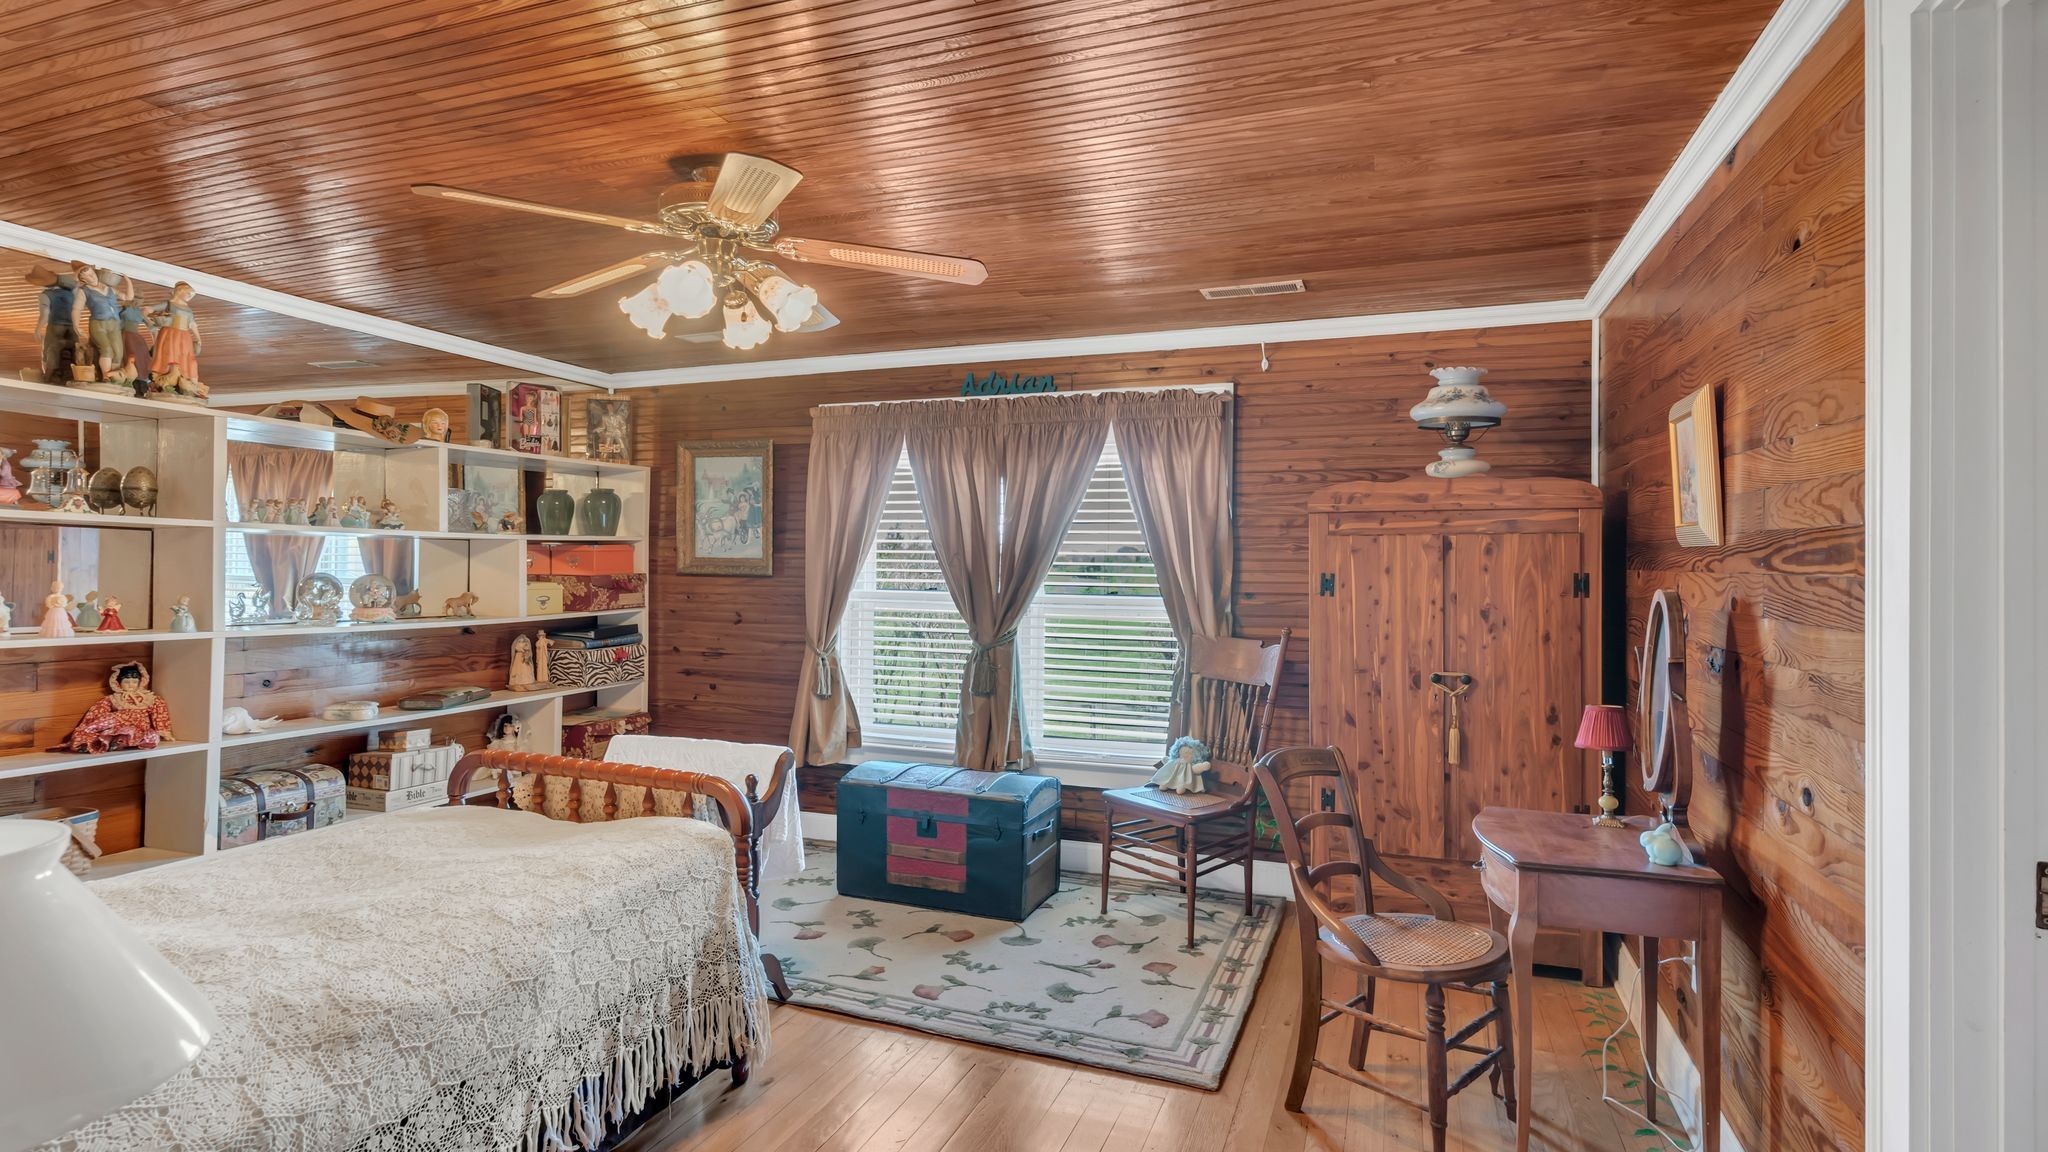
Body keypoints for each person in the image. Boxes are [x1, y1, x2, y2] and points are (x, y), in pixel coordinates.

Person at [66, 661, 173, 754]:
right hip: (117, 722)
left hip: (139, 727)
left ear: (141, 682)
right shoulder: (114, 698)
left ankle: (118, 743)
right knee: (104, 728)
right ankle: (87, 742)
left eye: (134, 682)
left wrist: (163, 731)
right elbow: (98, 710)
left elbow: (160, 713)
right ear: (118, 683)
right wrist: (89, 723)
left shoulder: (149, 698)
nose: (131, 685)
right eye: (126, 682)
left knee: (143, 735)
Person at [70, 264, 124, 382]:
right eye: (88, 276)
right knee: (107, 349)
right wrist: (76, 325)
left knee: (118, 352)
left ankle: (115, 379)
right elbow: (77, 309)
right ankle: (106, 376)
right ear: (83, 279)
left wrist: (128, 281)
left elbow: (127, 297)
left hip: (114, 324)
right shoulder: (84, 291)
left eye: (92, 273)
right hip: (98, 324)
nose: (92, 276)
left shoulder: (109, 288)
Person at [147, 281, 202, 383]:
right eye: (188, 293)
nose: (189, 296)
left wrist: (198, 338)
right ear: (180, 291)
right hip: (170, 333)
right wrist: (152, 322)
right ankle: (167, 378)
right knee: (170, 355)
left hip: (184, 335)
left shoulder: (188, 309)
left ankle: (182, 378)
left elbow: (192, 324)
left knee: (185, 357)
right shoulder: (169, 304)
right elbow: (147, 310)